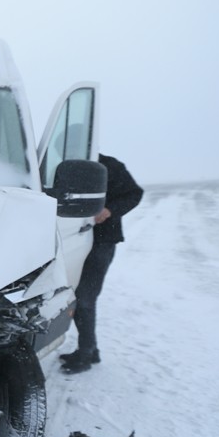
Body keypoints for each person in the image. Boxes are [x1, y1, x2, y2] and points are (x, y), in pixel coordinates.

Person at [60, 154, 144, 374]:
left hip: (102, 240)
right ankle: (91, 350)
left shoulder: (108, 166)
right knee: (78, 294)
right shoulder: (63, 167)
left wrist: (109, 210)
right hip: (72, 236)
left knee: (85, 298)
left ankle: (85, 355)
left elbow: (135, 194)